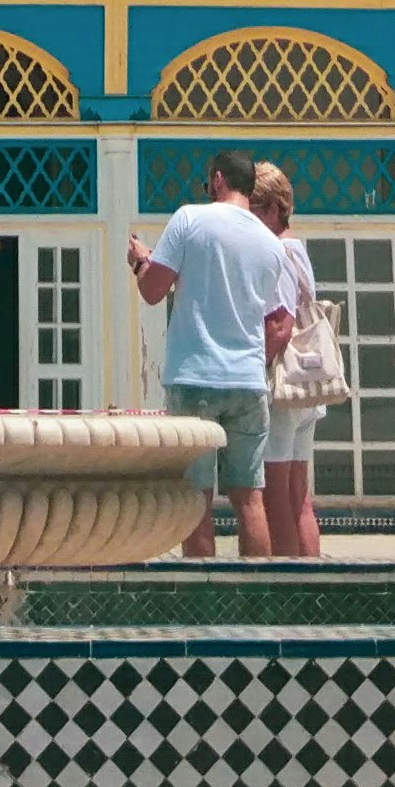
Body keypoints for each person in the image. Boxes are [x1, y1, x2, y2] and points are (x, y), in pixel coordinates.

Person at [125, 150, 290, 559]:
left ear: (217, 180)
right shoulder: (271, 245)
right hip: (248, 383)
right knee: (249, 497)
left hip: (196, 375)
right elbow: (271, 318)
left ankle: (205, 607)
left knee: (196, 500)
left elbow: (152, 291)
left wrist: (140, 262)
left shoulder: (189, 219)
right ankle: (257, 605)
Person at [250, 161, 327, 564]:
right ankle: (310, 582)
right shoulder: (298, 249)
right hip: (305, 387)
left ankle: (283, 589)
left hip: (281, 390)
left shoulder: (276, 252)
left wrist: (248, 367)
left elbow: (280, 327)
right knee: (300, 496)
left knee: (275, 493)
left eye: (254, 209)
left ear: (274, 209)